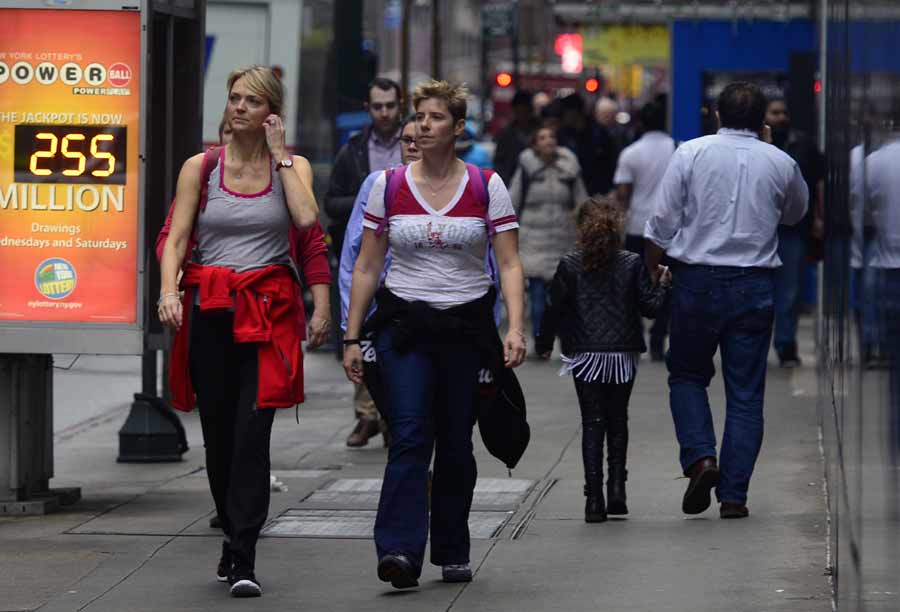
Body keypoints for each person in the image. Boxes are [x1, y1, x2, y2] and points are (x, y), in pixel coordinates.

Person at [342, 79, 526, 589]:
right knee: (409, 434)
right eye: (418, 116)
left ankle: (451, 547)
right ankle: (399, 549)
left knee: (455, 442)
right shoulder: (390, 185)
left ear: (458, 128)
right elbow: (367, 264)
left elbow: (509, 263)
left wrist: (514, 327)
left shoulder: (485, 185)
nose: (423, 125)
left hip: (466, 330)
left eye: (435, 117)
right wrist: (352, 335)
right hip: (405, 330)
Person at [158, 65, 319, 597]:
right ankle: (231, 534)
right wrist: (166, 293)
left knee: (254, 434)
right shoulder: (201, 168)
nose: (239, 108)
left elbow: (305, 220)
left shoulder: (292, 168)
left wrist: (281, 156)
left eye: (251, 101)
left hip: (268, 317)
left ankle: (245, 552)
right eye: (234, 99)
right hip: (211, 312)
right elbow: (177, 238)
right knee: (221, 439)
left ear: (272, 111)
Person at [643, 82, 808, 520]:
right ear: (763, 122)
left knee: (687, 376)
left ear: (716, 115)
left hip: (696, 280)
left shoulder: (691, 153)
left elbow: (661, 222)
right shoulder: (781, 161)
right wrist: (771, 152)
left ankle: (702, 459)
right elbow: (795, 215)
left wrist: (651, 267)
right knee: (747, 394)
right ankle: (734, 496)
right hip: (754, 285)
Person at [536, 197, 669, 522]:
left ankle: (593, 498)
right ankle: (617, 490)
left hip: (584, 352)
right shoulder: (631, 262)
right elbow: (649, 308)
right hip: (622, 352)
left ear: (581, 227)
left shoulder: (570, 263)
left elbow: (554, 307)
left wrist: (544, 341)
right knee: (618, 420)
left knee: (592, 422)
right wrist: (663, 285)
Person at [325, 77, 404, 446]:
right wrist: (367, 198)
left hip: (403, 259)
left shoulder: (414, 141)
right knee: (361, 333)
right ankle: (366, 415)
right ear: (367, 108)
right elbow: (332, 203)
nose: (384, 113)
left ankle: (390, 417)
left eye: (390, 105)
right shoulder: (354, 150)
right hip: (365, 256)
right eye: (377, 106)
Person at [337, 117, 422, 449]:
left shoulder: (458, 186)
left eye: (420, 139)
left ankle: (393, 426)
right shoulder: (378, 184)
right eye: (406, 140)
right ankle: (370, 418)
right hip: (378, 309)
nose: (413, 146)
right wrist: (350, 327)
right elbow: (354, 258)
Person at [508, 124, 588, 349]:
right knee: (537, 298)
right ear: (534, 144)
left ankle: (564, 338)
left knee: (563, 297)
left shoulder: (570, 169)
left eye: (552, 136)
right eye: (542, 137)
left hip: (563, 241)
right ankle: (541, 340)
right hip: (532, 241)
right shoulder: (526, 168)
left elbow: (582, 204)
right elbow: (512, 202)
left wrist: (586, 231)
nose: (548, 141)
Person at [764, 98, 826, 367]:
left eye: (784, 112)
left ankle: (786, 345)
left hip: (792, 228)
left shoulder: (803, 145)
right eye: (774, 112)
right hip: (760, 229)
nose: (780, 117)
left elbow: (818, 183)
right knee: (759, 293)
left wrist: (819, 217)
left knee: (789, 292)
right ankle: (756, 346)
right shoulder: (757, 146)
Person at [613, 101, 676, 359]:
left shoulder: (631, 153)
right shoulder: (679, 150)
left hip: (638, 226)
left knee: (633, 285)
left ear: (640, 123)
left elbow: (623, 195)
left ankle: (636, 333)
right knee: (666, 283)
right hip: (671, 230)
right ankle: (659, 337)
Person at [492, 90, 539, 184]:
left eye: (525, 111)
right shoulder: (506, 134)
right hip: (511, 181)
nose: (522, 116)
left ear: (530, 111)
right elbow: (499, 163)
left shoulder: (540, 132)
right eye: (519, 112)